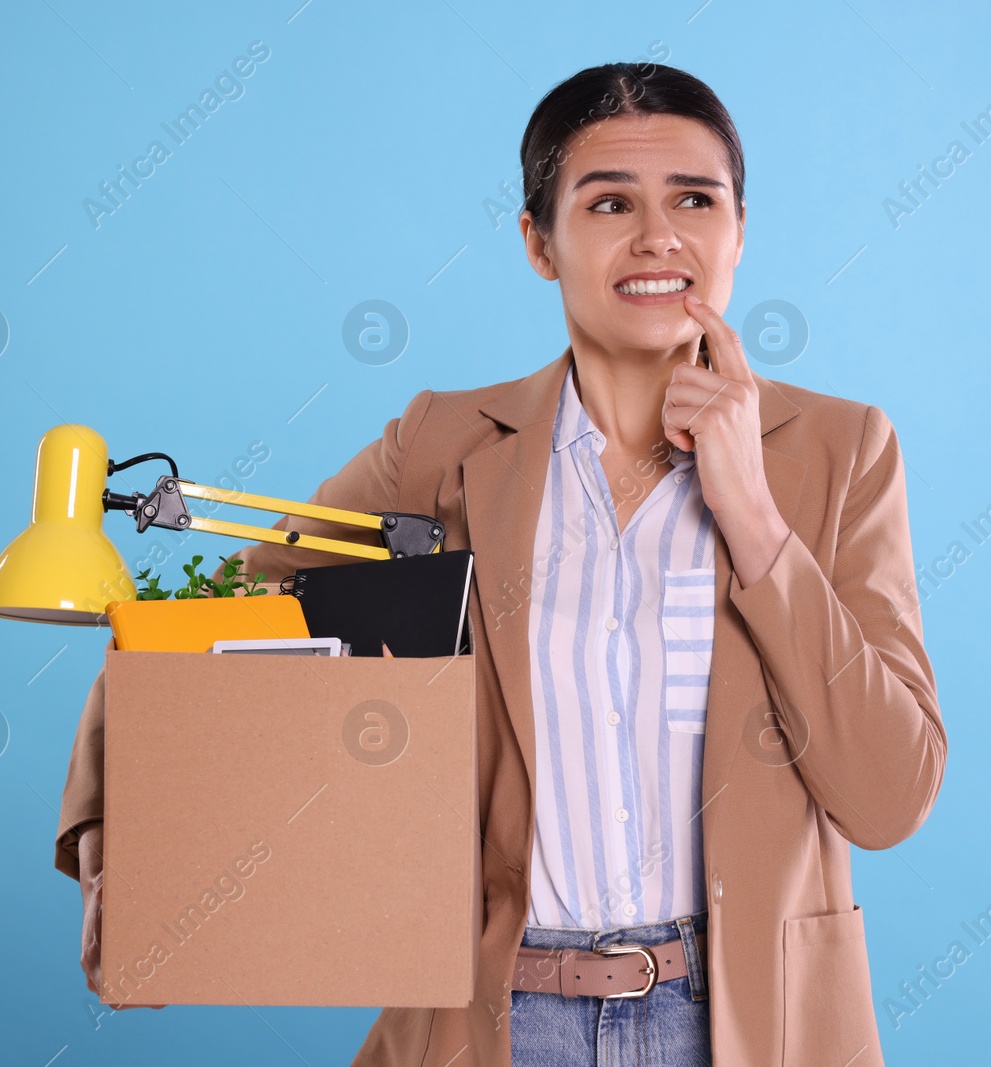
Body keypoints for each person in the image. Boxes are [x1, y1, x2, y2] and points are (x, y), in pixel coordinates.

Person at [56, 61, 945, 1066]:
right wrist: (107, 830)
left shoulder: (839, 451)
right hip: (496, 1021)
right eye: (609, 201)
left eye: (694, 199)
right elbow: (212, 609)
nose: (657, 236)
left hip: (751, 1024)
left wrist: (749, 513)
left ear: (738, 229)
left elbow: (888, 794)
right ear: (537, 241)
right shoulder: (441, 450)